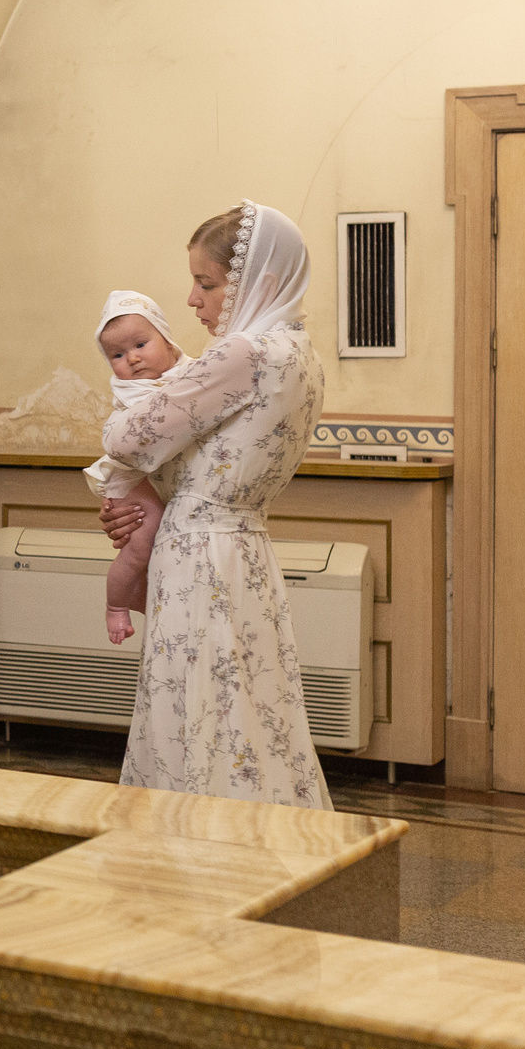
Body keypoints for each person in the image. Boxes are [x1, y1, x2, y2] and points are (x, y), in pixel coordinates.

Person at [98, 202, 329, 808]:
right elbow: (214, 459)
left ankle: (196, 844)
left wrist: (139, 487)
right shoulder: (302, 354)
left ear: (260, 282)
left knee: (195, 711)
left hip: (198, 553)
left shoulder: (244, 353)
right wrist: (143, 504)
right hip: (244, 549)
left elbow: (125, 439)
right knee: (251, 712)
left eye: (207, 283)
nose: (193, 300)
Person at [83, 291, 184, 645]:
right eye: (118, 355)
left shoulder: (194, 370)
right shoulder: (133, 391)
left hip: (157, 481)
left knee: (153, 545)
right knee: (140, 544)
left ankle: (139, 591)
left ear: (167, 340)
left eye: (141, 344)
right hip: (131, 479)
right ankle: (116, 605)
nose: (133, 358)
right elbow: (128, 438)